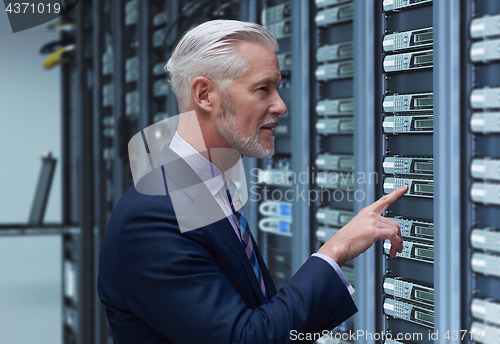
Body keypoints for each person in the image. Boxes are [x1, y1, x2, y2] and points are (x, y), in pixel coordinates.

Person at [97, 20, 406, 343]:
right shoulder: (152, 218)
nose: (281, 106)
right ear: (204, 95)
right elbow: (245, 338)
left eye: (278, 88)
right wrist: (335, 251)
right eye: (263, 89)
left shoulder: (205, 191)